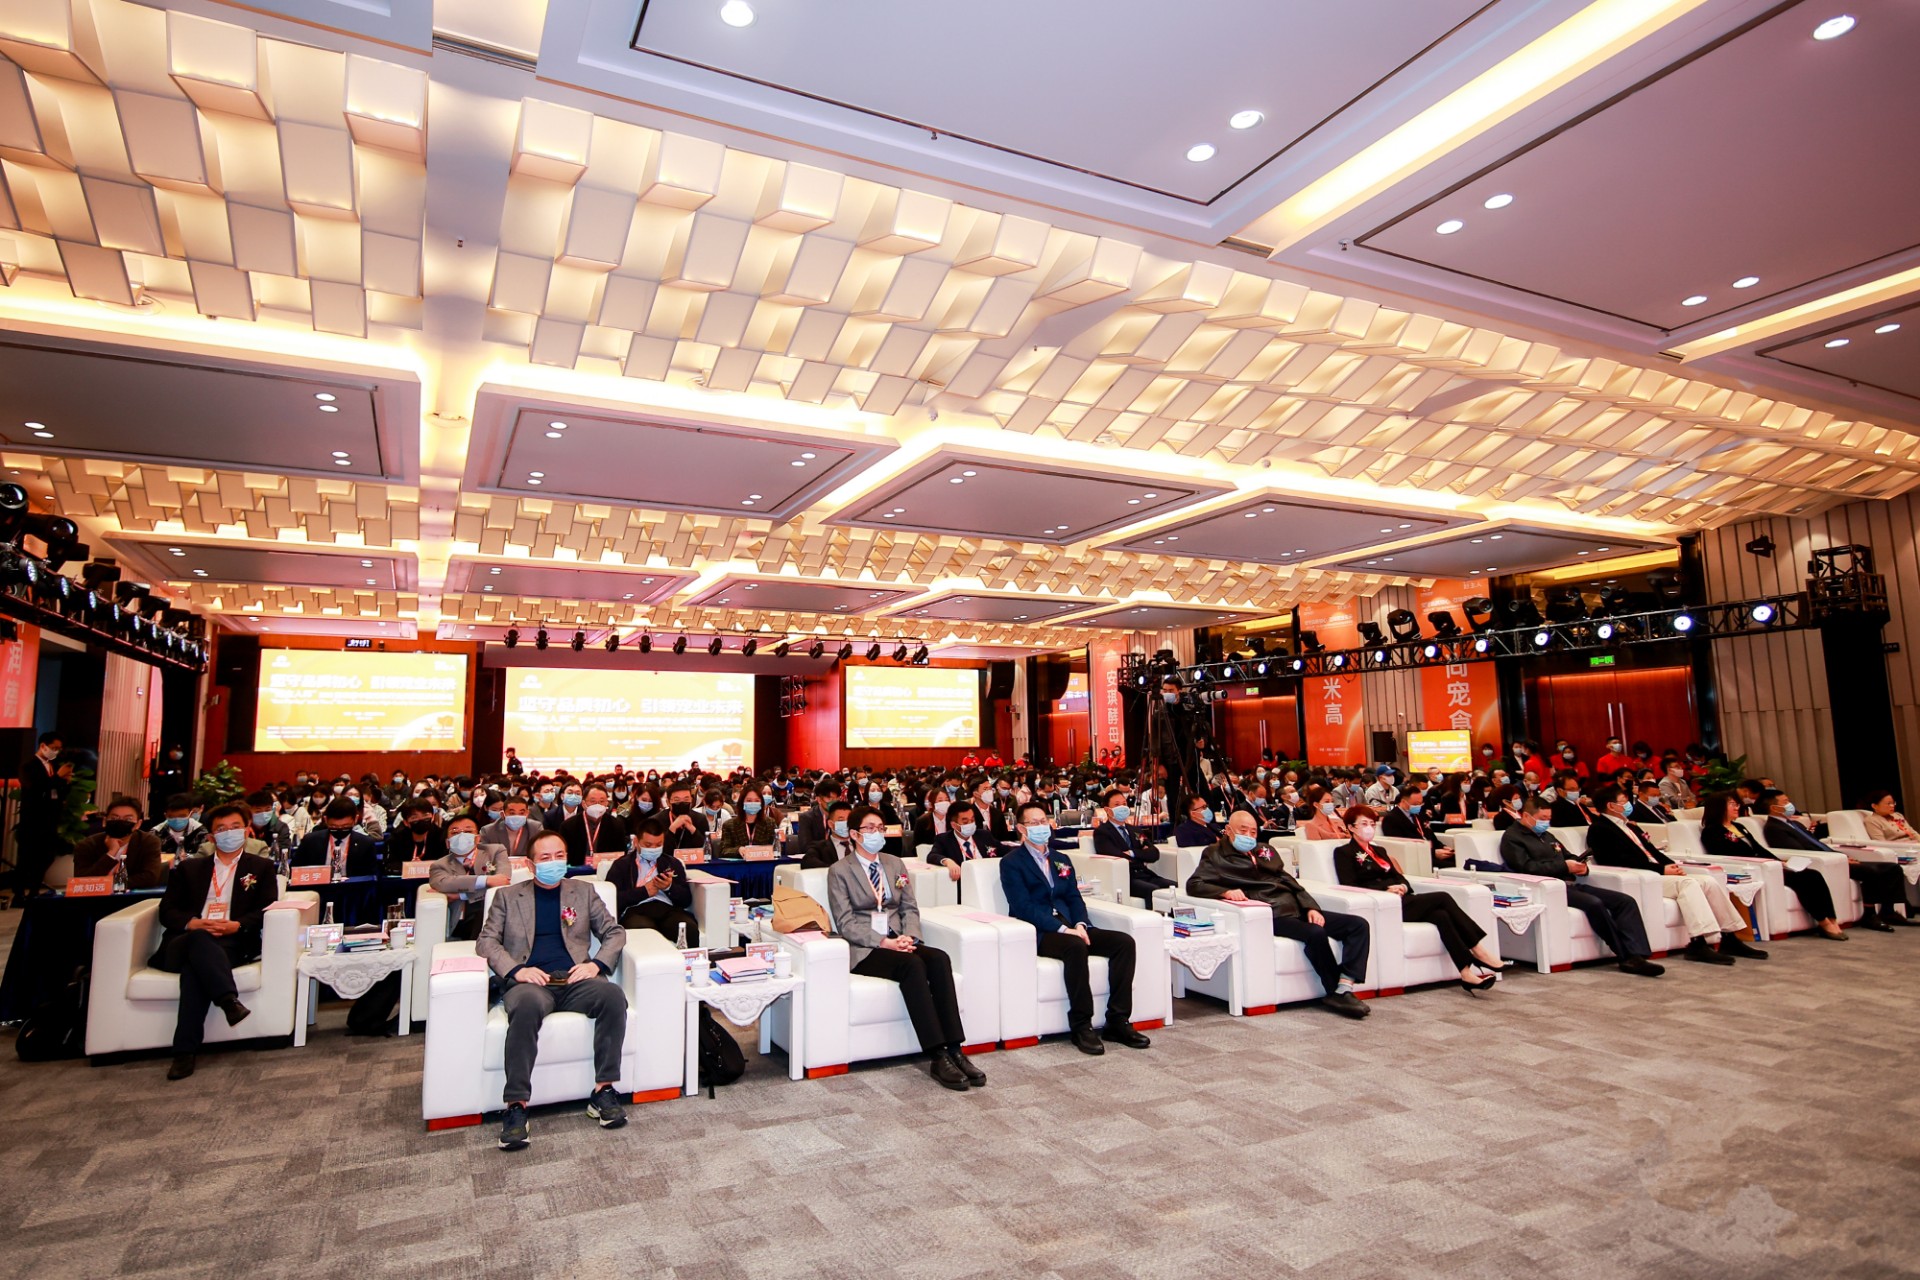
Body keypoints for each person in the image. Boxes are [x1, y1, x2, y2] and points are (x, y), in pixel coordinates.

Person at [476, 831, 628, 1150]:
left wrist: (596, 965)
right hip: (530, 982)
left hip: (575, 980)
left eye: (559, 856)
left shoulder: (583, 892)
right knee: (527, 1006)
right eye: (545, 858)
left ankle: (603, 1090)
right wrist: (516, 970)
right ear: (531, 865)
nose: (554, 863)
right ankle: (516, 1106)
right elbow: (486, 941)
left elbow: (614, 933)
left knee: (613, 996)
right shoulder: (507, 897)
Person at [827, 806, 982, 1091]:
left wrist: (910, 937)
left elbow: (909, 906)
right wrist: (883, 942)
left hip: (899, 939)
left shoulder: (895, 864)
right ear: (854, 834)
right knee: (912, 966)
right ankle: (937, 1055)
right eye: (870, 829)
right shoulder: (840, 871)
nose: (877, 833)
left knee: (939, 959)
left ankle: (955, 1048)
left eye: (880, 828)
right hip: (866, 947)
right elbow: (845, 922)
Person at [1186, 809, 1371, 1018]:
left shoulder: (1265, 850)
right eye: (1243, 831)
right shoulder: (1215, 854)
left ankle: (1344, 986)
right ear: (1228, 830)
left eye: (1253, 832)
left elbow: (1289, 881)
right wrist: (1225, 892)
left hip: (1294, 906)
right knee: (1315, 933)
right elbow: (1195, 884)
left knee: (1358, 925)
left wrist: (1311, 907)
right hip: (1270, 913)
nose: (1249, 836)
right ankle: (1334, 990)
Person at [998, 802, 1148, 1055]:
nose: (1041, 827)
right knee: (1075, 946)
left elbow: (1074, 898)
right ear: (1021, 828)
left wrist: (1080, 923)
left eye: (1043, 821)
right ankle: (1081, 1024)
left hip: (1073, 926)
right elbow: (1022, 906)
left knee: (1123, 942)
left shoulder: (1061, 859)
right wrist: (1062, 929)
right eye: (1034, 823)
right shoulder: (1011, 863)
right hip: (1041, 931)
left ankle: (1118, 1020)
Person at [149, 803, 279, 1080]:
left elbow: (267, 908)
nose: (229, 833)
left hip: (230, 942)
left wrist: (238, 925)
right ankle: (228, 1000)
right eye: (221, 829)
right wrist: (193, 923)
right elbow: (167, 911)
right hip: (184, 941)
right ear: (210, 836)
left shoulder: (261, 867)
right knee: (199, 939)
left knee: (194, 971)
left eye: (235, 827)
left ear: (247, 831)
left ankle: (184, 1052)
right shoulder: (189, 868)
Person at [1584, 784, 1765, 963]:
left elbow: (1653, 852)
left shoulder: (1630, 826)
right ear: (1611, 805)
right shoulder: (1599, 829)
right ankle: (1698, 943)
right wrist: (1661, 870)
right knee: (1688, 884)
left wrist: (1671, 865)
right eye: (1623, 801)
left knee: (1708, 881)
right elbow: (1615, 860)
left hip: (1659, 873)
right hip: (1643, 877)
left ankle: (1730, 937)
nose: (1628, 804)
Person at [1333, 805, 1503, 992]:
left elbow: (1400, 877)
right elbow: (1349, 884)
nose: (1369, 828)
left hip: (1403, 898)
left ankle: (1466, 973)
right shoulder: (1344, 852)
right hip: (1384, 904)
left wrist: (1403, 886)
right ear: (1351, 827)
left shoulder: (1379, 850)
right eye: (1364, 824)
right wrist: (1385, 889)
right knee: (1443, 897)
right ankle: (1478, 950)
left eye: (1372, 824)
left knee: (1441, 916)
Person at [1498, 794, 1664, 975]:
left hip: (1569, 883)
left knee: (1625, 901)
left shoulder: (1547, 835)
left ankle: (1639, 953)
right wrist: (1564, 866)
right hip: (1548, 887)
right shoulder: (1513, 838)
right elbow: (1525, 867)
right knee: (1594, 903)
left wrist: (1579, 865)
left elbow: (1567, 855)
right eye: (1542, 818)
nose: (1546, 823)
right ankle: (1626, 956)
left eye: (1548, 818)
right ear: (1526, 816)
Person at [1698, 792, 1847, 940]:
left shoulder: (1739, 826)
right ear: (1719, 807)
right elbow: (1727, 855)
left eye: (1737, 804)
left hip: (1767, 865)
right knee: (1804, 879)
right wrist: (1765, 863)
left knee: (1814, 874)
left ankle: (1832, 919)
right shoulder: (1712, 831)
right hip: (1752, 869)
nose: (1737, 807)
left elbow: (1758, 848)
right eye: (1732, 804)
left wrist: (1779, 862)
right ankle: (1823, 922)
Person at [1758, 789, 1911, 931]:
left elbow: (1817, 843)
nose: (1790, 804)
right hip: (1825, 862)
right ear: (1774, 808)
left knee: (1892, 868)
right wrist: (1838, 859)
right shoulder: (1774, 828)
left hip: (1834, 857)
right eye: (1785, 802)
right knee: (1869, 871)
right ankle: (1869, 915)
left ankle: (1888, 911)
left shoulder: (1795, 824)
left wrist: (1842, 856)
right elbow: (1798, 850)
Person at [606, 817, 698, 944]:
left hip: (667, 909)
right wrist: (644, 892)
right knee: (645, 932)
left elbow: (686, 900)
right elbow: (612, 899)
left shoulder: (672, 863)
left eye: (658, 845)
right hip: (636, 911)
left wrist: (669, 887)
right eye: (648, 845)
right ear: (636, 842)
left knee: (689, 928)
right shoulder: (621, 865)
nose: (653, 849)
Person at [427, 813, 510, 940]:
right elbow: (444, 883)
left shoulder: (495, 851)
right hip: (461, 920)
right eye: (455, 833)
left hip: (494, 914)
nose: (461, 836)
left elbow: (503, 882)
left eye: (468, 831)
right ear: (447, 842)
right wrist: (487, 880)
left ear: (478, 838)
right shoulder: (439, 865)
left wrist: (460, 895)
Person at [1093, 790, 1174, 900]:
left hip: (1145, 874)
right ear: (1107, 810)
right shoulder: (1102, 832)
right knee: (1152, 891)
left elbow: (1154, 854)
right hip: (1126, 878)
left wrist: (1132, 853)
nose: (1122, 807)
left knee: (1174, 887)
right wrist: (1142, 854)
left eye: (1124, 804)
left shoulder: (1135, 830)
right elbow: (1116, 855)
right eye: (1117, 805)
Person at [71, 795, 166, 888]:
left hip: (133, 896)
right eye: (114, 818)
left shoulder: (149, 842)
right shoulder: (87, 845)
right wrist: (111, 854)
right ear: (104, 821)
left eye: (128, 819)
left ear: (138, 824)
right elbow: (81, 880)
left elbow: (150, 877)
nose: (120, 822)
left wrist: (109, 883)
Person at [291, 799, 382, 878]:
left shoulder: (365, 843)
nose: (340, 830)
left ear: (355, 819)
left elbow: (371, 876)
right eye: (334, 826)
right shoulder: (310, 841)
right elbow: (294, 872)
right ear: (326, 820)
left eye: (345, 826)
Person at [561, 783, 629, 867]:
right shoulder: (568, 826)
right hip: (577, 870)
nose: (597, 805)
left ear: (607, 803)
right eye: (593, 801)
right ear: (584, 803)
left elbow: (621, 854)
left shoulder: (616, 825)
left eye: (601, 801)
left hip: (606, 870)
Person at [927, 801, 993, 883]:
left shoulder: (984, 835)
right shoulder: (944, 840)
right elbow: (932, 856)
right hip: (962, 884)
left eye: (972, 820)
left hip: (986, 880)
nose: (970, 824)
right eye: (965, 822)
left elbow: (1002, 849)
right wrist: (948, 861)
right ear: (954, 825)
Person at [384, 797, 447, 872]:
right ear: (406, 822)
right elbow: (389, 864)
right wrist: (410, 867)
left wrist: (425, 867)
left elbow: (447, 862)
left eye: (425, 815)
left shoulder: (442, 836)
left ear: (432, 817)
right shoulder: (396, 838)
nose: (421, 820)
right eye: (414, 817)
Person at [716, 786, 777, 856]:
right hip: (740, 862)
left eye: (757, 801)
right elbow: (723, 850)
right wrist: (738, 850)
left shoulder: (770, 823)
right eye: (749, 800)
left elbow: (777, 847)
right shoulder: (729, 825)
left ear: (761, 803)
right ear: (742, 802)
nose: (753, 803)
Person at [481, 794, 539, 864]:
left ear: (527, 813)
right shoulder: (488, 831)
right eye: (512, 813)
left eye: (521, 813)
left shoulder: (535, 828)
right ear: (503, 815)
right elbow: (483, 857)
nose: (517, 816)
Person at [800, 800, 857, 869]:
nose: (846, 823)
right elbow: (807, 862)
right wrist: (835, 870)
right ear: (831, 824)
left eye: (849, 820)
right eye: (841, 820)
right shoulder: (819, 848)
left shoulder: (861, 844)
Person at [151, 793, 207, 861]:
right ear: (166, 816)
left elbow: (206, 858)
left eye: (182, 816)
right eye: (172, 817)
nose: (177, 820)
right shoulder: (156, 833)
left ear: (190, 814)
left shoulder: (201, 833)